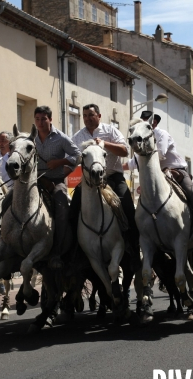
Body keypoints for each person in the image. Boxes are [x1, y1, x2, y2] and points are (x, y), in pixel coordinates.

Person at [124, 112, 193, 241]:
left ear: (153, 123)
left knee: (191, 192)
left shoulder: (162, 135)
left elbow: (160, 154)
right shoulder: (141, 144)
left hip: (176, 170)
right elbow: (134, 162)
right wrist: (119, 168)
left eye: (144, 123)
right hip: (156, 175)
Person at [70, 103, 140, 262]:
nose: (87, 118)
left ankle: (134, 249)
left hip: (113, 177)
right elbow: (72, 158)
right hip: (88, 181)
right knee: (72, 211)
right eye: (85, 115)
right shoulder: (78, 137)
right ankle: (75, 251)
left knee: (128, 208)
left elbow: (124, 151)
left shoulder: (110, 130)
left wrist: (104, 143)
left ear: (99, 116)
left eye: (91, 115)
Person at [34, 106, 81, 268]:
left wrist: (60, 163)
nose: (40, 122)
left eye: (43, 119)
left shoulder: (61, 138)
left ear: (50, 119)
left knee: (62, 210)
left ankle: (58, 252)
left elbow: (77, 155)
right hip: (34, 181)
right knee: (9, 201)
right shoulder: (30, 139)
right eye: (37, 119)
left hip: (55, 182)